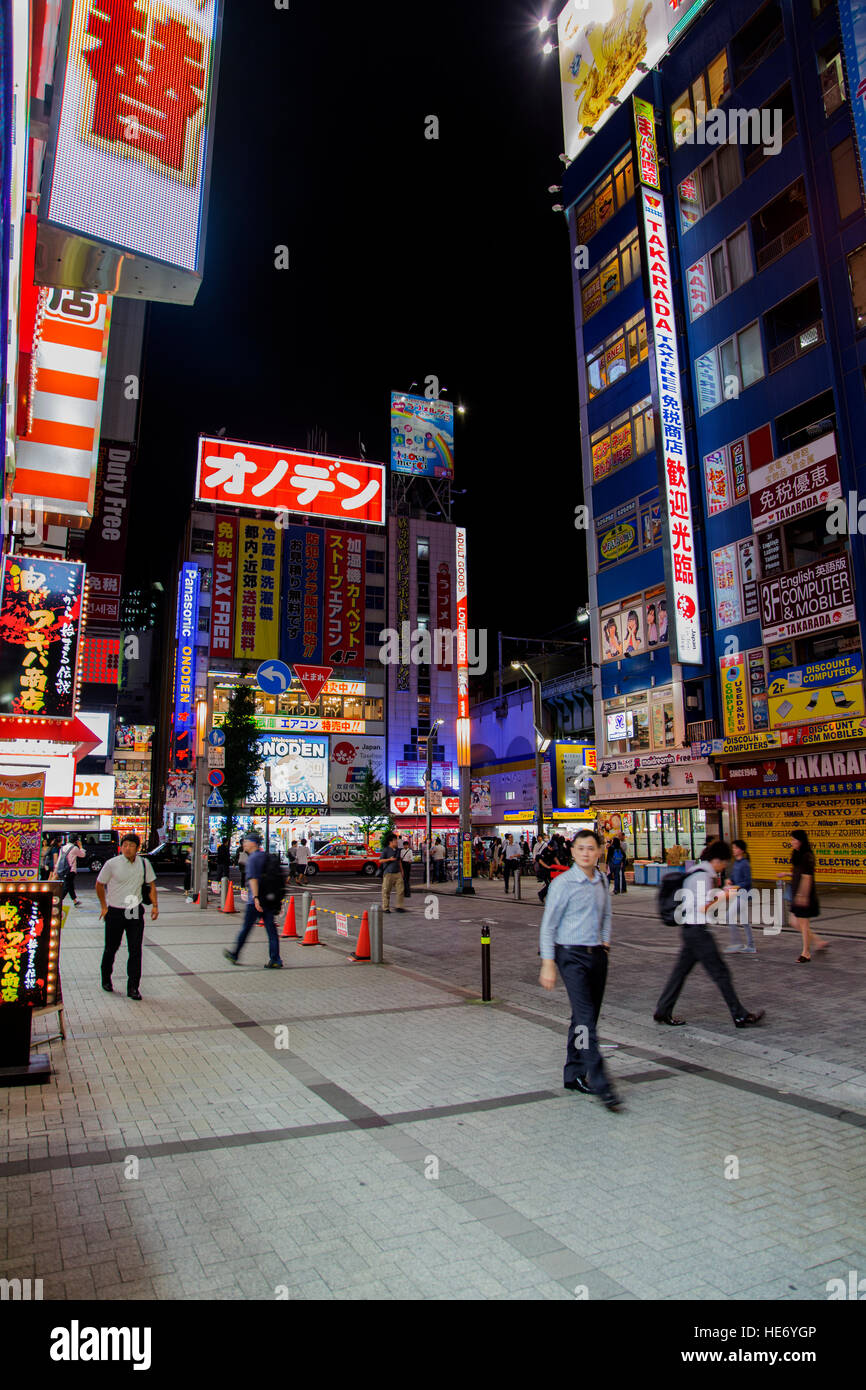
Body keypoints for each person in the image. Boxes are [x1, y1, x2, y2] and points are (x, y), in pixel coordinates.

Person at [538, 829, 621, 1112]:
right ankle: (601, 1083)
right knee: (586, 1020)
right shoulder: (562, 884)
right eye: (580, 848)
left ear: (599, 852)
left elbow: (607, 914)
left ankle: (573, 1074)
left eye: (591, 848)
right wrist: (548, 962)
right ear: (572, 852)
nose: (586, 853)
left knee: (585, 1018)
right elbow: (548, 925)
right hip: (570, 956)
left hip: (597, 955)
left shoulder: (601, 881)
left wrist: (605, 942)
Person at [653, 841, 765, 1029]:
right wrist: (725, 896)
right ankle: (739, 1015)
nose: (724, 867)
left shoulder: (696, 872)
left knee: (680, 972)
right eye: (724, 863)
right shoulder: (703, 876)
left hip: (690, 930)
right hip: (697, 931)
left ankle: (663, 1010)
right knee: (720, 973)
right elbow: (705, 907)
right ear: (716, 860)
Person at [96, 834, 158, 1000]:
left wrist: (155, 906)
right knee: (111, 948)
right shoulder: (112, 864)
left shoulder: (144, 864)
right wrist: (104, 906)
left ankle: (133, 987)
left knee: (135, 950)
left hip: (134, 910)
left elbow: (151, 885)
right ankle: (106, 978)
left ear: (137, 848)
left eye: (131, 845)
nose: (127, 848)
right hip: (115, 910)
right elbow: (99, 884)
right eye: (125, 845)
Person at [224, 830, 284, 968]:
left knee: (246, 928)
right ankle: (275, 959)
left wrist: (256, 898)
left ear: (253, 843)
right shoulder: (265, 856)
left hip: (256, 901)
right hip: (268, 899)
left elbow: (253, 879)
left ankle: (234, 954)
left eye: (245, 841)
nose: (243, 844)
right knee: (271, 930)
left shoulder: (252, 858)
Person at [789, 829, 827, 963]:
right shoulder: (797, 854)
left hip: (804, 895)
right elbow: (798, 873)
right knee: (793, 922)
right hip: (796, 893)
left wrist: (802, 896)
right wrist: (786, 874)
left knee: (803, 924)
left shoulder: (807, 855)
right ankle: (818, 941)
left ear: (801, 841)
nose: (791, 842)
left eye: (794, 839)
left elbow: (807, 877)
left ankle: (806, 953)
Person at [723, 839, 756, 954]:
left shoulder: (745, 864)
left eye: (735, 848)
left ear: (741, 850)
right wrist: (729, 881)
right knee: (744, 921)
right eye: (733, 848)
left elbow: (747, 881)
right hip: (738, 895)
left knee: (728, 916)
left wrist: (734, 886)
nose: (733, 850)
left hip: (743, 895)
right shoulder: (736, 863)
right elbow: (733, 877)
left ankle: (736, 943)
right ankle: (751, 945)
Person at [380, 831, 406, 912]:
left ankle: (399, 906)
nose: (397, 842)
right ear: (390, 842)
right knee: (386, 890)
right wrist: (389, 859)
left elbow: (399, 861)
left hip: (397, 872)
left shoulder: (398, 850)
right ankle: (386, 907)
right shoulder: (386, 850)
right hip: (388, 873)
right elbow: (380, 861)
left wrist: (402, 871)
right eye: (395, 841)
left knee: (401, 890)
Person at [57, 835, 85, 908]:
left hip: (63, 869)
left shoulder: (62, 848)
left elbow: (59, 858)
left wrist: (56, 869)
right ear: (76, 841)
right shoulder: (74, 848)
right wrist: (81, 847)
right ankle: (58, 900)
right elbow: (82, 855)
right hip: (70, 870)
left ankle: (75, 901)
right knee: (67, 886)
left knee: (70, 886)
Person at [537, 835, 558, 904]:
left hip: (550, 870)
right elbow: (540, 861)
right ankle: (541, 894)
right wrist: (547, 867)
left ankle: (543, 894)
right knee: (550, 884)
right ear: (549, 846)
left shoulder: (553, 851)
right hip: (544, 870)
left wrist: (560, 867)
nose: (553, 849)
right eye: (552, 848)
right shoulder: (545, 851)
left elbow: (555, 859)